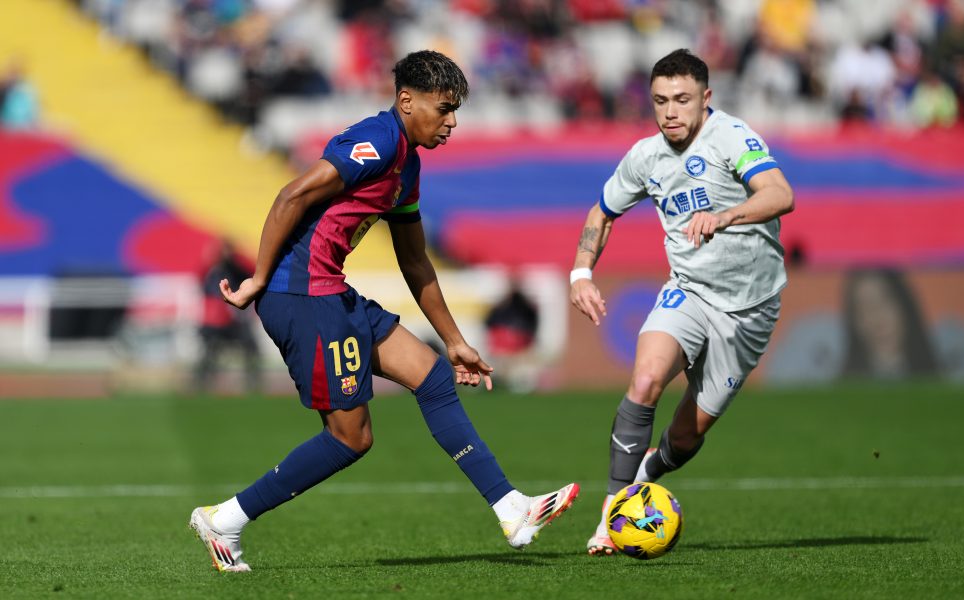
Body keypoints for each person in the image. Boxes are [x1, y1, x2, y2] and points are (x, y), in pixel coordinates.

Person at [188, 50, 578, 572]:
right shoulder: (377, 143)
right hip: (303, 295)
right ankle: (227, 519)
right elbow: (290, 196)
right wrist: (258, 278)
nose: (453, 122)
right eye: (444, 109)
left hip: (331, 291)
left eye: (456, 110)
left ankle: (512, 509)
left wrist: (456, 338)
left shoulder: (406, 166)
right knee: (352, 438)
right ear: (406, 101)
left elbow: (415, 260)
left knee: (434, 376)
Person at [569, 49, 794, 555]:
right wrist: (581, 272)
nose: (671, 111)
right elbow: (602, 213)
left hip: (750, 310)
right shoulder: (645, 157)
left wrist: (726, 216)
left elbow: (780, 193)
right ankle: (611, 516)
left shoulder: (731, 137)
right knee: (645, 380)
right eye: (661, 101)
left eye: (683, 99)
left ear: (706, 98)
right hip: (689, 290)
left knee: (687, 438)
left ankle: (650, 471)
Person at [193, 239, 261, 393]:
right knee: (208, 350)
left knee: (250, 347)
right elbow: (200, 279)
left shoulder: (235, 268)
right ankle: (202, 381)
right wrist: (212, 260)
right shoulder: (212, 270)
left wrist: (233, 258)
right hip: (214, 322)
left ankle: (253, 380)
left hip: (234, 320)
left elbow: (252, 275)